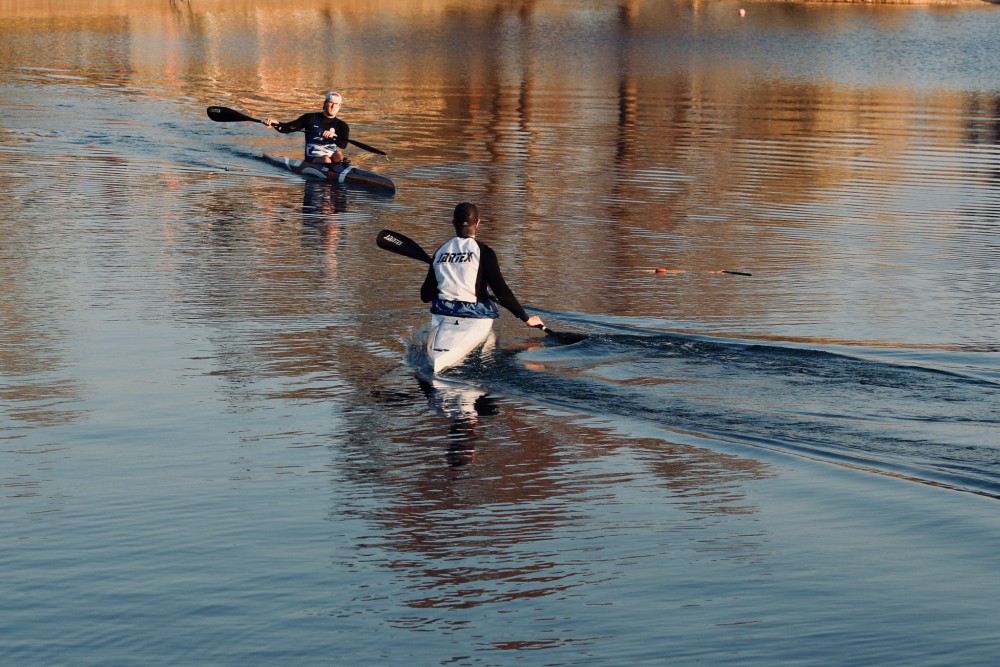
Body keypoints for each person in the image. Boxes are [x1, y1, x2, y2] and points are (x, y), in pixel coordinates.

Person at [421, 202, 545, 330]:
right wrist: (526, 318)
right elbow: (502, 293)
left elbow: (425, 295)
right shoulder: (485, 252)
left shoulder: (440, 252)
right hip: (474, 312)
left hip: (443, 312)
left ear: (453, 223)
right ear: (478, 222)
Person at [262, 91, 350, 164]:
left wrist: (334, 136)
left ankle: (339, 167)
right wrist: (276, 123)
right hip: (313, 158)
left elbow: (343, 145)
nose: (333, 106)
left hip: (332, 157)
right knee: (326, 160)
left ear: (339, 106)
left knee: (338, 154)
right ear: (325, 103)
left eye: (336, 104)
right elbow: (288, 128)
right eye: (331, 102)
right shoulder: (310, 118)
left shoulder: (342, 126)